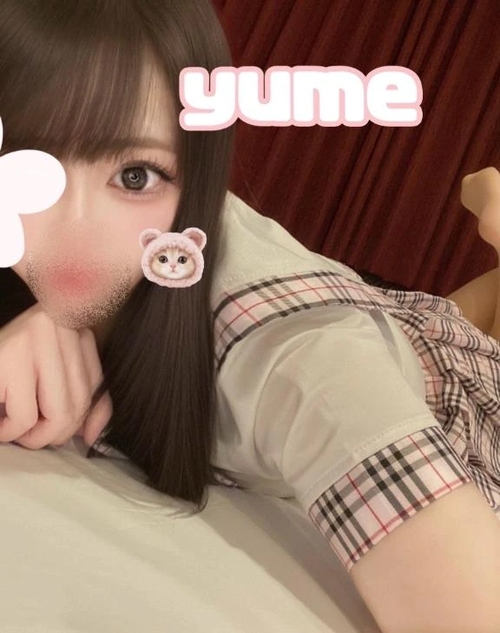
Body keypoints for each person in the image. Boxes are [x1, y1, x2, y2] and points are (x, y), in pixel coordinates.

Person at [0, 2, 499, 632]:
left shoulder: (302, 362)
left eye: (135, 175)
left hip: (448, 382)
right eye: (30, 162)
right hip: (379, 312)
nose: (75, 231)